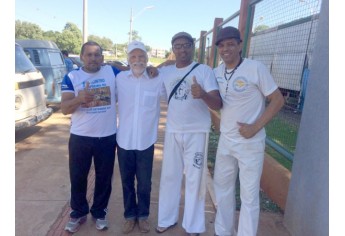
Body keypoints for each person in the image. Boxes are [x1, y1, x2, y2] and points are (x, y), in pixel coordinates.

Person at [212, 26, 285, 236]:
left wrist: (255, 127)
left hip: (250, 144)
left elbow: (277, 100)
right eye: (222, 45)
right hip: (226, 142)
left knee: (249, 196)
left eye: (231, 44)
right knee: (223, 189)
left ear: (240, 45)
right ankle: (223, 231)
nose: (226, 49)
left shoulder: (255, 68)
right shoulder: (217, 71)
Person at [156, 32, 222, 236]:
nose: (182, 49)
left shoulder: (204, 71)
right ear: (172, 49)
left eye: (186, 45)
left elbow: (217, 104)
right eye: (178, 46)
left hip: (197, 132)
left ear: (193, 47)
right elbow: (163, 96)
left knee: (195, 179)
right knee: (169, 177)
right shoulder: (166, 72)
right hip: (173, 131)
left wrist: (202, 94)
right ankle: (166, 219)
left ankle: (193, 225)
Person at [61, 41, 121, 233]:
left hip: (107, 137)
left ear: (102, 58)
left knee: (104, 178)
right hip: (80, 137)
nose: (93, 58)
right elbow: (64, 108)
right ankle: (78, 212)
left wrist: (154, 70)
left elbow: (136, 72)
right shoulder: (72, 76)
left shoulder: (113, 72)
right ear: (81, 57)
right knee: (78, 177)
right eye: (89, 55)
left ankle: (99, 212)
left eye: (97, 55)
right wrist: (80, 98)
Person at [116, 40, 165, 234]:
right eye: (133, 57)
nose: (138, 60)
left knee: (144, 183)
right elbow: (104, 68)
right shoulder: (119, 78)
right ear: (128, 60)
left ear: (147, 59)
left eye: (142, 57)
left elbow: (173, 68)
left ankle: (143, 216)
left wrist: (159, 67)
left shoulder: (157, 79)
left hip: (146, 141)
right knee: (127, 181)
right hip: (124, 141)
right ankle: (129, 216)